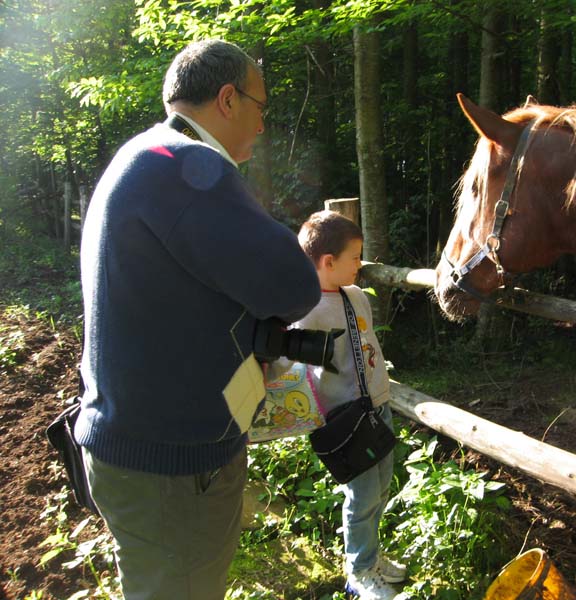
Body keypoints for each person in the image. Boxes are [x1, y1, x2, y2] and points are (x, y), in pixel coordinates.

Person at [75, 39, 321, 600]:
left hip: (139, 446)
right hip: (171, 468)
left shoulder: (144, 154)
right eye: (261, 108)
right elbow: (296, 284)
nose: (262, 127)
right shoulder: (185, 166)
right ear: (228, 99)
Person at [292, 210, 407, 600]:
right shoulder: (303, 312)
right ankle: (359, 570)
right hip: (344, 421)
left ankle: (371, 557)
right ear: (328, 262)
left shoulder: (356, 296)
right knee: (361, 496)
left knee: (382, 485)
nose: (361, 265)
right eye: (355, 258)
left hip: (378, 406)